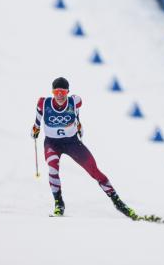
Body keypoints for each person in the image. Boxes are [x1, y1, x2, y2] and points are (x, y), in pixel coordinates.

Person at [31, 77, 137, 219]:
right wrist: (36, 128)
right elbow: (38, 117)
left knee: (94, 171)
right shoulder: (44, 103)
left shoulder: (75, 101)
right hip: (52, 143)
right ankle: (59, 203)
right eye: (56, 92)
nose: (60, 95)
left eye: (63, 91)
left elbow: (76, 113)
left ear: (67, 92)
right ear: (52, 92)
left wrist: (79, 124)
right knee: (52, 168)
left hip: (72, 143)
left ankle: (118, 203)